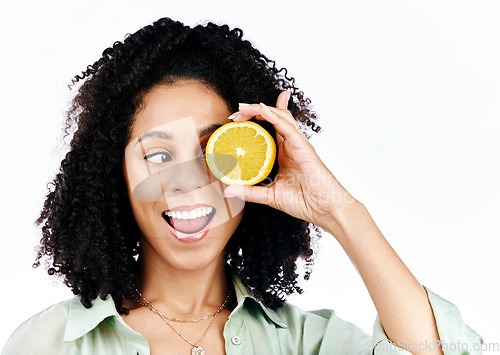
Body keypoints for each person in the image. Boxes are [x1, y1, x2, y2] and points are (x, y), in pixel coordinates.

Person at [2, 17, 482, 355]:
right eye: (159, 155)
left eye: (217, 152)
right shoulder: (50, 344)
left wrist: (338, 210)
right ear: (117, 176)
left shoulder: (305, 342)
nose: (189, 185)